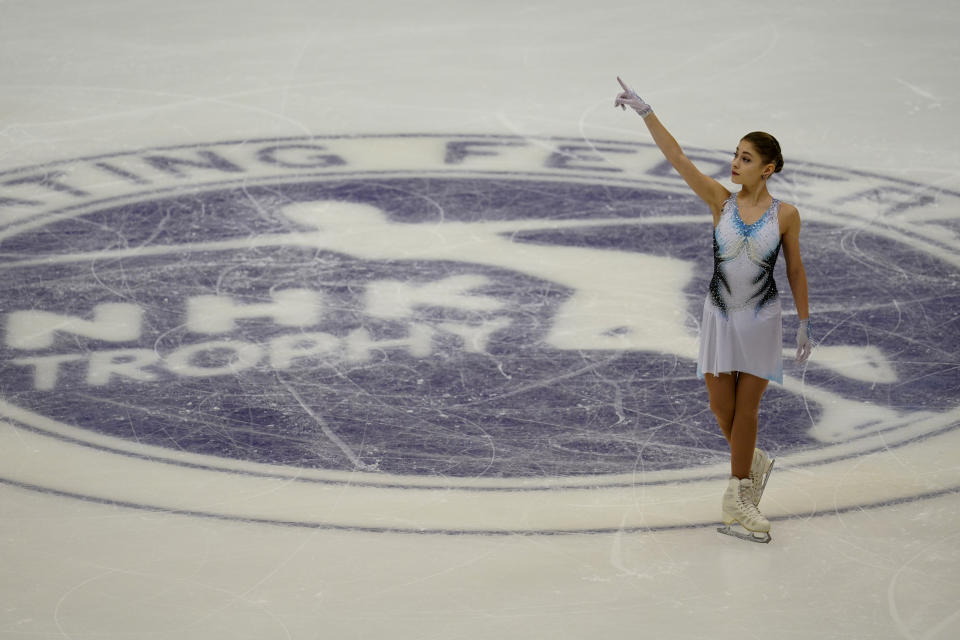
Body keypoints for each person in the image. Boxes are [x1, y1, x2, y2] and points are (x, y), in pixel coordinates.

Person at [614, 77, 812, 543]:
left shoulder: (786, 216)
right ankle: (752, 463)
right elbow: (678, 159)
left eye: (746, 159)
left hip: (762, 320)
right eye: (736, 155)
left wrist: (804, 323)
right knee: (720, 407)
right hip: (720, 317)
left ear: (768, 169)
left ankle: (737, 495)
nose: (735, 164)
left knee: (747, 412)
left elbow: (797, 270)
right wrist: (647, 112)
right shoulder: (720, 201)